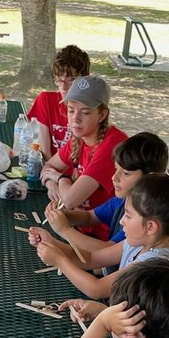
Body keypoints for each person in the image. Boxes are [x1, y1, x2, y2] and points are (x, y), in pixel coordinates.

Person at [30, 164, 169, 302]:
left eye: (128, 215)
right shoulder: (139, 243)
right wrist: (52, 244)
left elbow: (97, 289)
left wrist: (59, 260)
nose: (121, 221)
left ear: (151, 227)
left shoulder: (154, 265)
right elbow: (91, 258)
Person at [39, 133, 169, 263]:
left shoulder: (142, 218)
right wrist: (63, 215)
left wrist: (65, 230)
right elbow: (90, 217)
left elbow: (105, 251)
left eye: (126, 173)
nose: (114, 177)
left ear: (149, 178)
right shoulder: (122, 200)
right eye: (116, 169)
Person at [38, 75, 127, 226]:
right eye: (71, 110)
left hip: (103, 232)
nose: (75, 119)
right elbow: (48, 166)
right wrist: (51, 184)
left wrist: (61, 178)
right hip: (79, 221)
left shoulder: (112, 145)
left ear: (102, 115)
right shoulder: (81, 137)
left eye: (85, 113)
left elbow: (70, 200)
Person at [27, 44, 91, 160]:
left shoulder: (90, 110)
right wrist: (51, 168)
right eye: (59, 80)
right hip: (50, 165)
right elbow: (45, 153)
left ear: (84, 80)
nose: (63, 87)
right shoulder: (46, 100)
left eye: (71, 80)